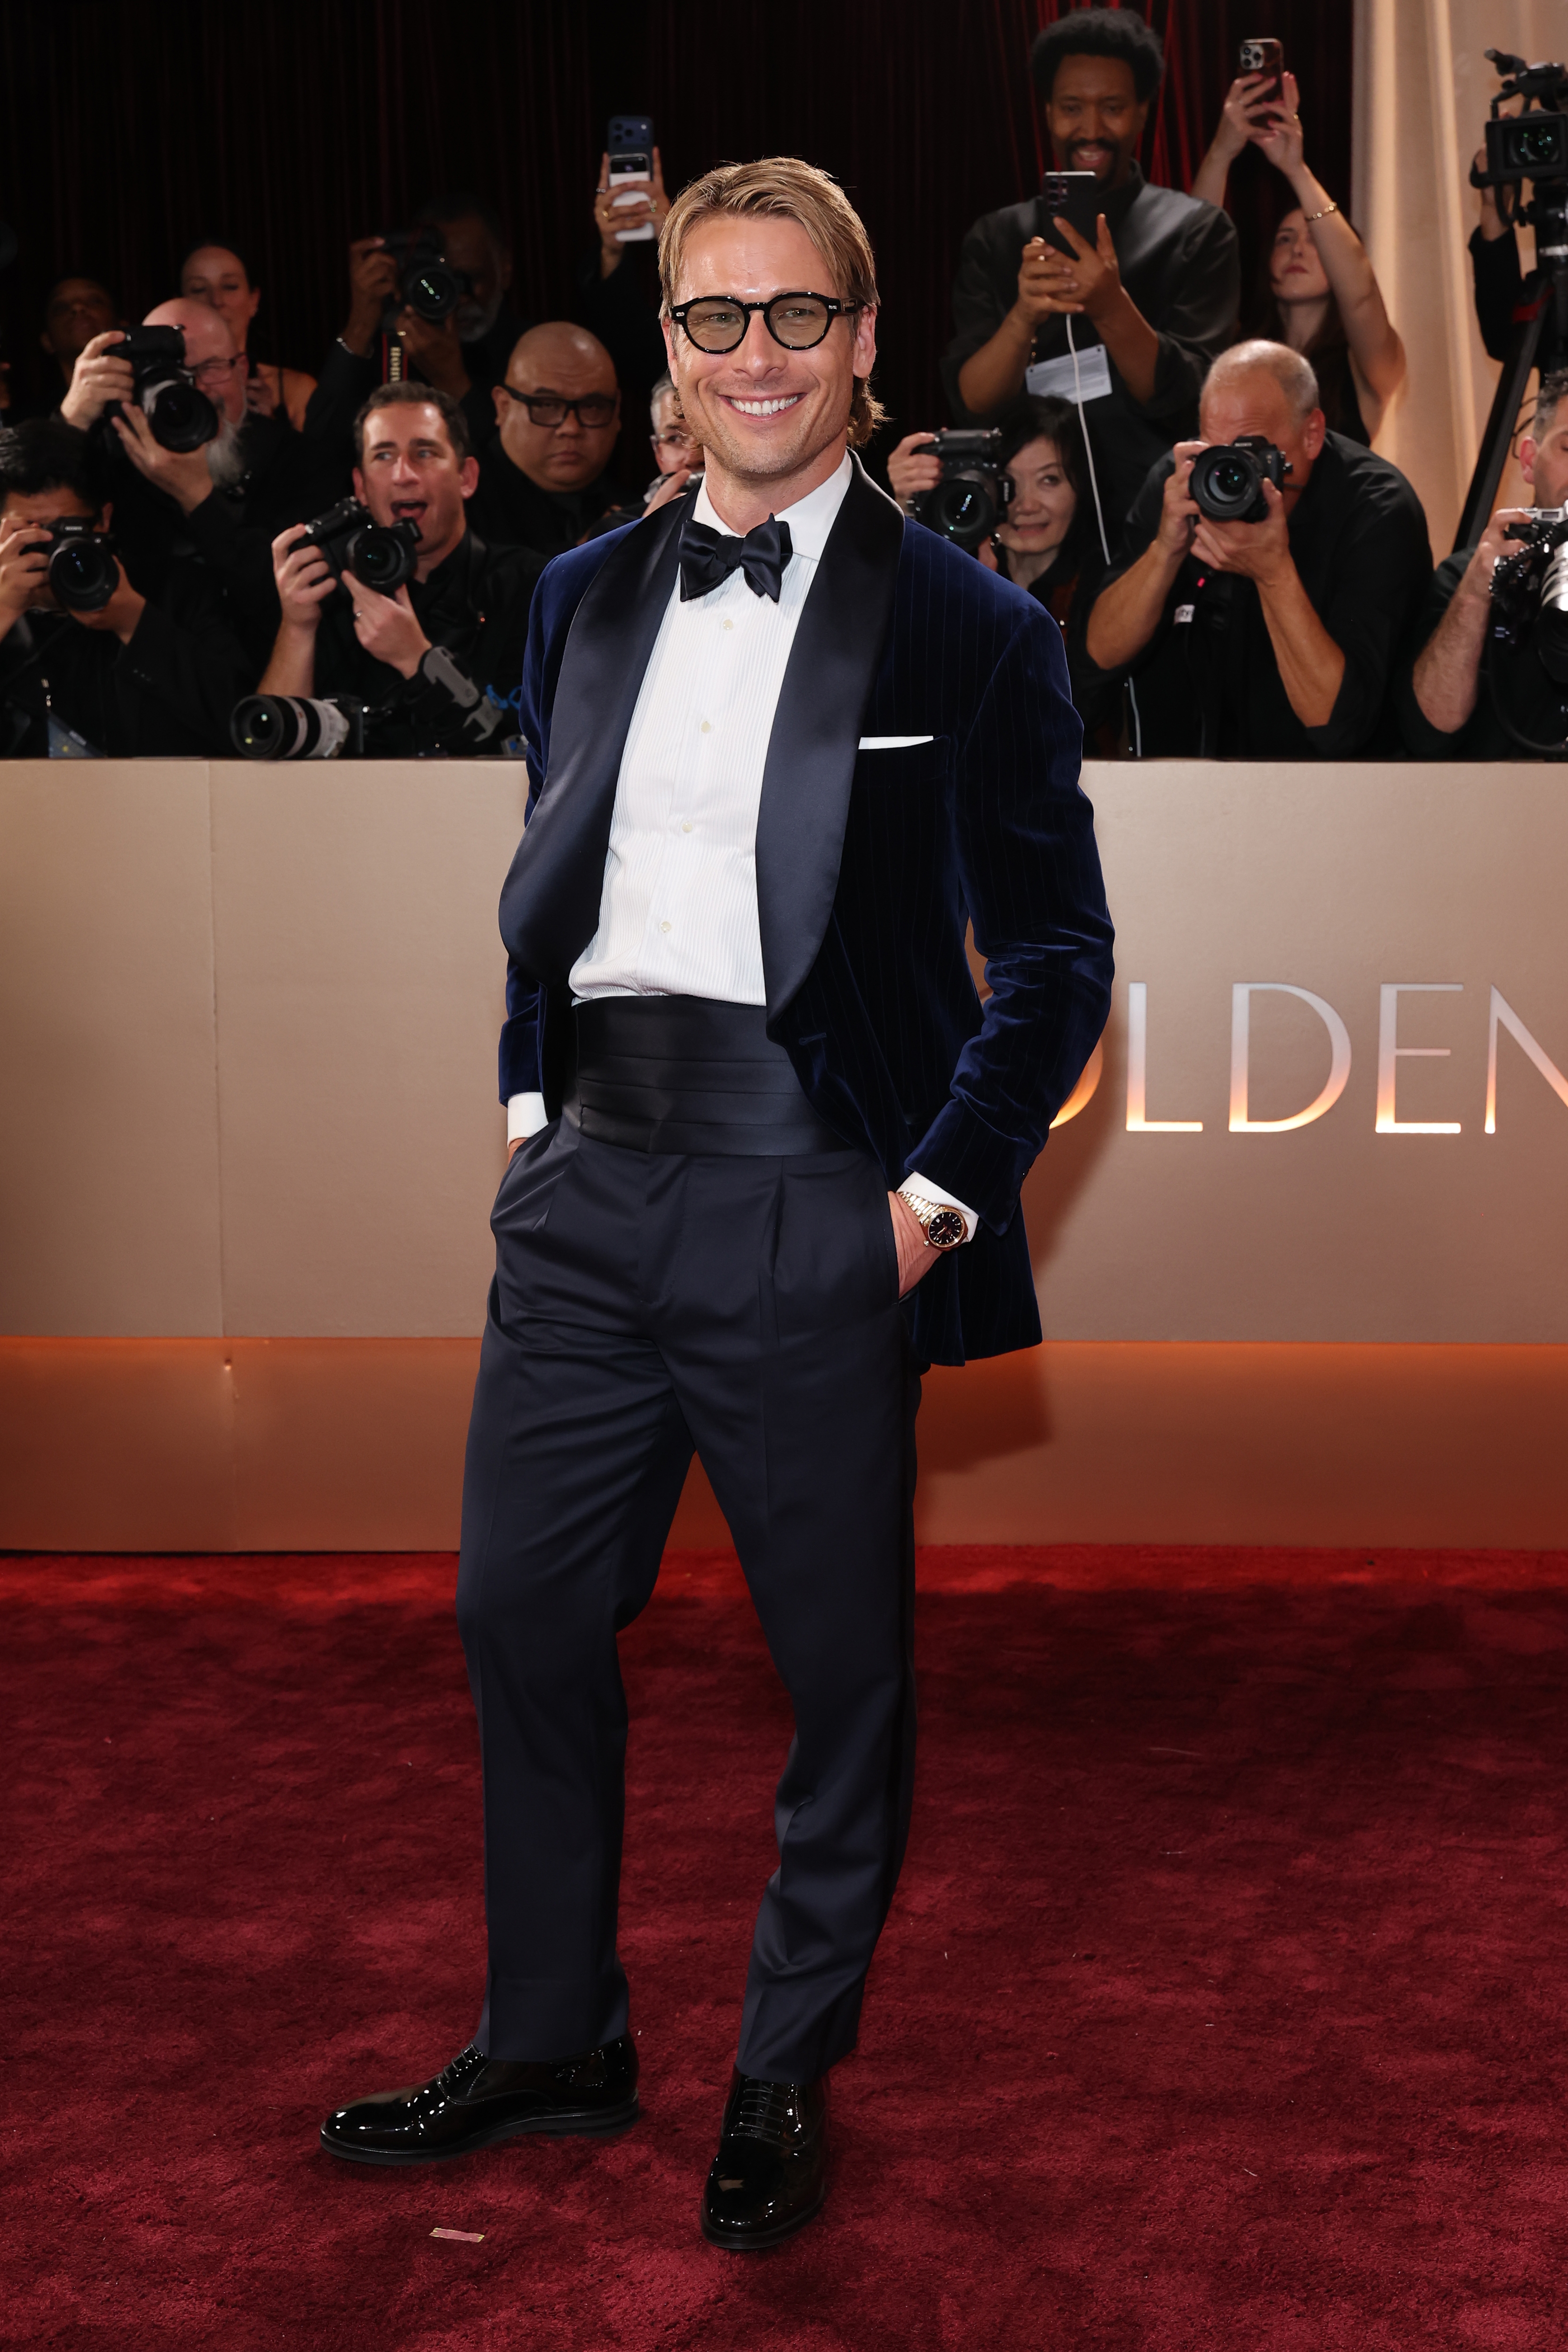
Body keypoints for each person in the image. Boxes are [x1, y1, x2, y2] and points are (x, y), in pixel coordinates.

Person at [316, 157, 1113, 2251]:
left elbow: (1055, 960)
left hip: (808, 1187)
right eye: (709, 319)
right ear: (666, 351)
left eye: (791, 317)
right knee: (513, 1610)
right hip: (584, 1187)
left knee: (838, 1669)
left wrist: (923, 1204)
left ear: (860, 340)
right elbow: (550, 869)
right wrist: (520, 1110)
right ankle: (558, 2029)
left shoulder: (979, 625)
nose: (749, 355)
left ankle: (781, 2063)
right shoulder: (581, 590)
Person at [944, 6, 1238, 527]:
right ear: (1049, 111)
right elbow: (973, 403)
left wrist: (1109, 305)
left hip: (1151, 512)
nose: (1092, 129)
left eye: (1113, 108)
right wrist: (1023, 317)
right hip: (1025, 514)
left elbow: (1191, 397)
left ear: (1144, 112)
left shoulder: (1197, 230)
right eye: (1073, 107)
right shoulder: (997, 237)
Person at [1081, 339, 1431, 758]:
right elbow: (1095, 659)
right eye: (1215, 447)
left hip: (1336, 793)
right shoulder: (1185, 480)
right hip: (1191, 787)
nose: (1229, 470)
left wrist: (1273, 573)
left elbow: (1338, 724)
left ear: (1312, 434)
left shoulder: (1375, 510)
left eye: (1250, 450)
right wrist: (1165, 550)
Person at [263, 381, 543, 755]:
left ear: (467, 477)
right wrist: (297, 627)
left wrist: (415, 659)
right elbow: (270, 757)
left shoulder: (531, 585)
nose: (402, 475)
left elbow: (524, 758)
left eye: (424, 453)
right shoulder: (329, 592)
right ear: (360, 489)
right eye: (383, 456)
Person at [59, 298, 329, 667]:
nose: (195, 392)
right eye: (169, 376)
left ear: (242, 368)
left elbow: (291, 604)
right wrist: (70, 423)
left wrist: (198, 498)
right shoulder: (109, 458)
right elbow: (31, 520)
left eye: (211, 368)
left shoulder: (299, 460)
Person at [0, 418, 248, 756]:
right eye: (30, 534)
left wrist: (136, 623)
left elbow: (243, 725)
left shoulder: (175, 591)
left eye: (64, 531)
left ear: (103, 520)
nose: (50, 549)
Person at [887, 394, 1118, 743]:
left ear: (1081, 487)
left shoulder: (1106, 584)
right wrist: (904, 512)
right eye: (1007, 483)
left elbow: (1074, 712)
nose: (1026, 505)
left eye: (1049, 480)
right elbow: (908, 690)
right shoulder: (957, 570)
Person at [1193, 70, 1405, 445]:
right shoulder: (1236, 349)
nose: (1297, 249)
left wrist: (1295, 169)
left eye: (1314, 241)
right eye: (1284, 239)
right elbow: (1193, 257)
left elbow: (1360, 296)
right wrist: (1222, 150)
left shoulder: (1364, 366)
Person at [1397, 368, 1568, 759]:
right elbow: (1427, 732)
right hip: (1495, 811)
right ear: (1528, 460)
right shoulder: (1466, 576)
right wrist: (1476, 596)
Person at [466, 322, 622, 557]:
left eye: (592, 406)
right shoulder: (460, 504)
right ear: (503, 407)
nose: (571, 428)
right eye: (547, 405)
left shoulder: (639, 510)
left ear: (617, 412)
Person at [178, 242, 319, 431]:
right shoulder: (167, 386)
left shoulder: (295, 390)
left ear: (254, 299)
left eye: (230, 287)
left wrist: (269, 426)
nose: (216, 300)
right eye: (199, 289)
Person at [39, 277, 119, 398]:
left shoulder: (152, 402)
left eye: (95, 301)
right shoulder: (31, 416)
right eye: (61, 307)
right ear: (47, 341)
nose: (78, 307)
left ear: (122, 327)